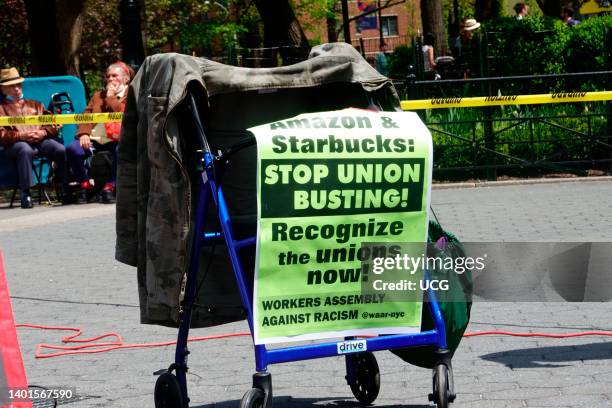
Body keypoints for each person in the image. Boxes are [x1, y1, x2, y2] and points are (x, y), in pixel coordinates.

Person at [0, 67, 69, 209]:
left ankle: (65, 187)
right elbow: (1, 135)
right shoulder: (1, 108)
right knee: (25, 149)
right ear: (3, 89)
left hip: (39, 141)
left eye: (18, 85)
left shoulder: (36, 104)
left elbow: (53, 124)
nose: (16, 89)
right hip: (14, 145)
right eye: (11, 86)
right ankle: (26, 193)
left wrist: (43, 133)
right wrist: (21, 136)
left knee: (60, 149)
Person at [66, 61, 133, 203]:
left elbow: (118, 111)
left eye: (115, 76)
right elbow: (86, 116)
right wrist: (83, 134)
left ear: (126, 78)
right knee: (73, 149)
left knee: (121, 150)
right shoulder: (97, 96)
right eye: (108, 76)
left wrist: (111, 96)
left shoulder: (132, 94)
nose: (110, 79)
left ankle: (110, 186)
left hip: (117, 139)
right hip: (95, 139)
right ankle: (85, 185)